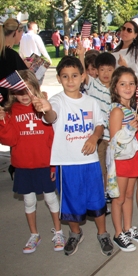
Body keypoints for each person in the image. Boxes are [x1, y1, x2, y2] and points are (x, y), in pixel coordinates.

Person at [32, 56, 113, 257]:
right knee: (71, 202)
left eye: (75, 76)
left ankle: (102, 233)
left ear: (83, 76)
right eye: (65, 76)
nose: (70, 80)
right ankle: (75, 232)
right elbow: (51, 117)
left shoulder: (91, 102)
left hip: (90, 161)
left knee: (97, 200)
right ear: (59, 79)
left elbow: (100, 124)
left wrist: (95, 137)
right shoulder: (56, 101)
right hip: (67, 163)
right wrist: (47, 109)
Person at [0, 70, 64, 254]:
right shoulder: (11, 112)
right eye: (19, 92)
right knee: (29, 202)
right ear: (13, 93)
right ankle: (34, 234)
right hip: (23, 166)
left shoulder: (43, 107)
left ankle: (58, 231)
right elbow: (9, 140)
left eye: (28, 90)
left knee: (51, 199)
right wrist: (3, 122)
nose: (24, 96)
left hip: (44, 164)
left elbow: (52, 138)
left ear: (35, 88)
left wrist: (54, 164)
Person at [108, 66, 138, 252]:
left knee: (129, 195)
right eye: (122, 84)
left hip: (133, 156)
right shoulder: (117, 111)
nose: (127, 87)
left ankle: (127, 228)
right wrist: (129, 129)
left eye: (131, 83)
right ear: (115, 87)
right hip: (122, 159)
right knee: (118, 198)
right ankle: (118, 233)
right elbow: (115, 140)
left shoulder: (129, 108)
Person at [79, 47, 115, 203]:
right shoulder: (93, 85)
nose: (106, 73)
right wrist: (81, 55)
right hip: (99, 136)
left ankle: (110, 192)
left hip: (113, 136)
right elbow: (83, 75)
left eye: (109, 69)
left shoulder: (116, 88)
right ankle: (102, 195)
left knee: (112, 167)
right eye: (102, 70)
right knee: (100, 166)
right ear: (97, 71)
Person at [0, 18, 28, 106]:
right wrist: (26, 68)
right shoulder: (11, 55)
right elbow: (22, 80)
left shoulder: (6, 53)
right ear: (16, 32)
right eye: (21, 33)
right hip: (8, 103)